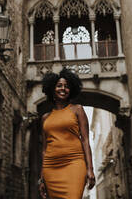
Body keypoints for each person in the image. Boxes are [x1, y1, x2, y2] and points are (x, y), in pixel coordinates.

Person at [38, 68, 96, 199]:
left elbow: (85, 140)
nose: (63, 88)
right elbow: (44, 150)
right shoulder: (45, 118)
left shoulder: (77, 110)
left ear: (71, 90)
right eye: (59, 86)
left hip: (74, 163)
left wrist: (90, 169)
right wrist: (42, 178)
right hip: (50, 167)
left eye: (66, 86)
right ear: (52, 89)